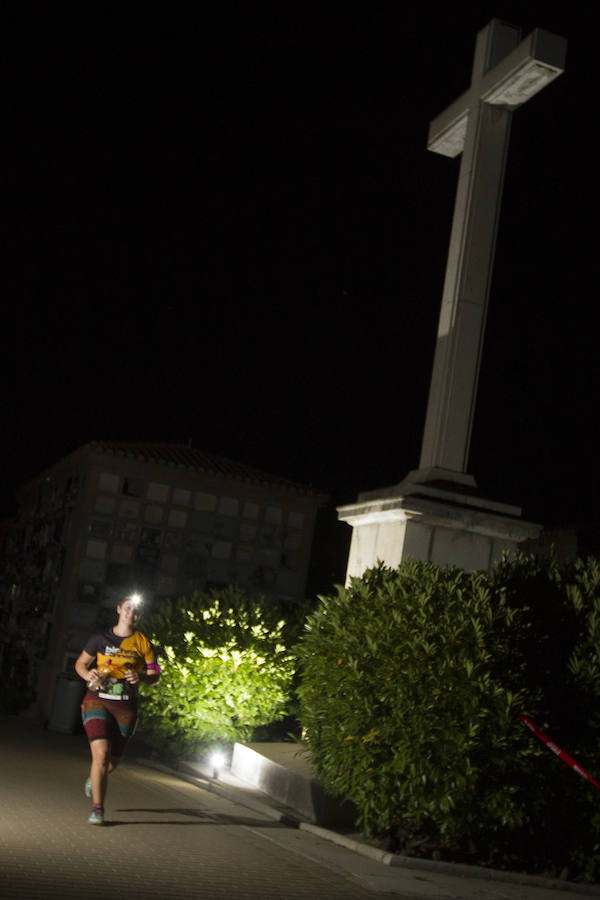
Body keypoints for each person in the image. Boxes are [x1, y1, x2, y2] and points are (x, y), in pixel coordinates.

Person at [74, 593, 160, 825]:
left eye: (136, 611)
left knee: (111, 763)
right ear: (119, 609)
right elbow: (80, 663)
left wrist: (140, 676)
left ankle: (96, 778)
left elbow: (155, 675)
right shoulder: (100, 638)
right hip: (96, 699)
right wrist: (87, 673)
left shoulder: (144, 643)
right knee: (100, 755)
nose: (131, 613)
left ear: (139, 616)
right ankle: (98, 809)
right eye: (128, 608)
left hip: (125, 706)